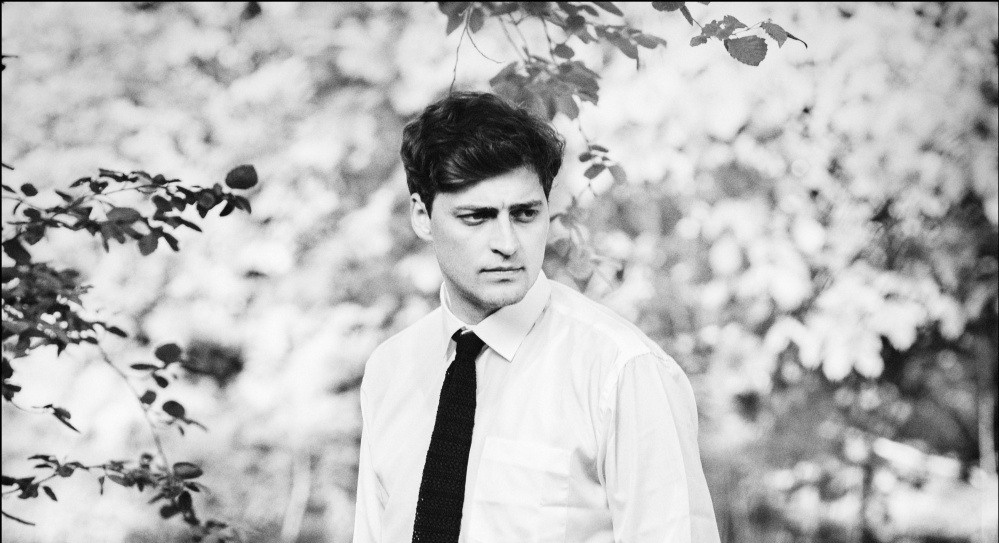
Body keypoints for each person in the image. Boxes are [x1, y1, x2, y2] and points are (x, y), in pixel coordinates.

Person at [353, 91, 720, 542]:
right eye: (477, 217)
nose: (507, 243)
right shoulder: (390, 370)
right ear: (422, 216)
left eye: (525, 214)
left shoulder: (620, 371)